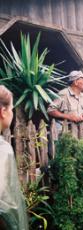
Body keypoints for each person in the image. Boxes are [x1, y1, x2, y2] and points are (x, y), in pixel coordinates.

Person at [0, 85, 28, 230]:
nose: (12, 113)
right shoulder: (3, 150)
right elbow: (6, 206)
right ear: (3, 111)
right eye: (11, 109)